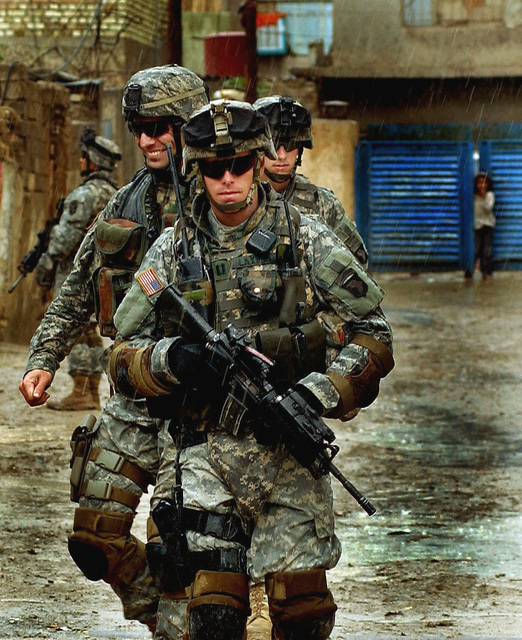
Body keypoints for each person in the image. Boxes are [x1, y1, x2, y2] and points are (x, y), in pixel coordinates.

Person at [108, 99, 394, 640]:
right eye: (214, 169)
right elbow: (122, 355)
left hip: (289, 452)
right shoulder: (172, 251)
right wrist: (175, 359)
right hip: (204, 453)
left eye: (239, 164)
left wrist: (314, 396)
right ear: (198, 172)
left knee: (300, 615)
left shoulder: (307, 238)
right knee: (212, 612)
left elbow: (374, 334)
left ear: (260, 162)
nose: (228, 179)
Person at [18, 64, 209, 633]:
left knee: (181, 547)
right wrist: (43, 361)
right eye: (138, 127)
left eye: (161, 126)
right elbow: (77, 288)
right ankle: (164, 619)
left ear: (188, 124)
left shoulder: (224, 200)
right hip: (129, 399)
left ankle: (193, 621)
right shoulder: (122, 205)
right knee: (94, 539)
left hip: (198, 409)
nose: (149, 139)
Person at [34, 127, 121, 411]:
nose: (81, 162)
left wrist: (46, 261)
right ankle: (89, 389)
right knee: (92, 331)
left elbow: (63, 241)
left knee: (81, 330)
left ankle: (83, 389)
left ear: (94, 160)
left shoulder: (85, 194)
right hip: (103, 274)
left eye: (85, 157)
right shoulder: (114, 192)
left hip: (78, 272)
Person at [253, 95, 368, 266]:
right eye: (274, 145)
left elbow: (357, 263)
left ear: (300, 148)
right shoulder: (241, 201)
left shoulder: (322, 203)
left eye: (291, 145)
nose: (282, 155)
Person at [470, 171, 495, 280]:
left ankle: (487, 272)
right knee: (476, 249)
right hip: (477, 226)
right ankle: (470, 270)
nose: (482, 185)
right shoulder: (473, 196)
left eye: (484, 182)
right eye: (479, 182)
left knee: (487, 250)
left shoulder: (489, 195)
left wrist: (484, 195)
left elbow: (488, 208)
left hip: (488, 225)